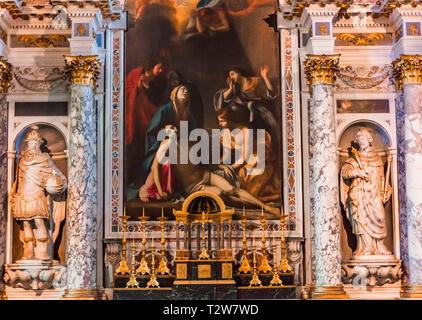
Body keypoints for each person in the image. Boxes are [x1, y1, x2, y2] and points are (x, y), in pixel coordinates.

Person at [141, 124, 281, 216]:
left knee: (231, 189)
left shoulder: (187, 142)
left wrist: (220, 166)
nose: (174, 129)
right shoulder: (165, 146)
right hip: (195, 186)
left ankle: (265, 207)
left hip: (206, 175)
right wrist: (160, 191)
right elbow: (155, 167)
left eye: (175, 127)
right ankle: (256, 208)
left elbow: (202, 161)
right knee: (221, 194)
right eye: (170, 127)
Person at [9, 126, 67, 261]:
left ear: (38, 145)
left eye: (34, 144)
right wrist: (13, 192)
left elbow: (59, 175)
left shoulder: (45, 159)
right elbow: (18, 179)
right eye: (29, 144)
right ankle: (28, 252)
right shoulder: (22, 160)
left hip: (37, 194)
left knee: (39, 221)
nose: (31, 147)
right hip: (23, 194)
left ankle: (44, 251)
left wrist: (58, 184)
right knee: (26, 223)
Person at [340, 128, 391, 257]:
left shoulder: (377, 158)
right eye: (359, 139)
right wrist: (357, 172)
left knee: (379, 216)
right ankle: (364, 247)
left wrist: (385, 189)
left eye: (363, 138)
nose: (360, 141)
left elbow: (382, 178)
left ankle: (379, 246)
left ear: (369, 140)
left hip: (374, 195)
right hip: (359, 195)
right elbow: (345, 173)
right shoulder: (355, 158)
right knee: (360, 218)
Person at [216, 107, 280, 202]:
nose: (219, 124)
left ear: (230, 120)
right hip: (244, 160)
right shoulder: (225, 133)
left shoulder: (245, 130)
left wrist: (230, 168)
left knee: (252, 193)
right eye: (219, 121)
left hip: (257, 156)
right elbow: (226, 156)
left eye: (222, 121)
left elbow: (245, 156)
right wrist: (216, 165)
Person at [213, 65, 280, 155]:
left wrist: (265, 77)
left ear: (239, 73)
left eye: (233, 74)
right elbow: (222, 99)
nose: (231, 77)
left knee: (251, 105)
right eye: (229, 76)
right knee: (233, 109)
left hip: (259, 111)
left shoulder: (255, 82)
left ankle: (254, 131)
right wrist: (231, 89)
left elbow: (271, 94)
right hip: (245, 114)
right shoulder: (235, 88)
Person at [142, 85, 201, 179]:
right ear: (174, 94)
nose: (185, 91)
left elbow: (193, 133)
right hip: (164, 146)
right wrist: (165, 129)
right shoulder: (164, 110)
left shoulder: (188, 114)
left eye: (187, 90)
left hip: (182, 147)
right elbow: (152, 131)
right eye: (182, 89)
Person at [125, 59, 166, 185]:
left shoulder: (157, 82)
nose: (160, 71)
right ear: (151, 67)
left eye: (162, 69)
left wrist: (145, 87)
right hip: (133, 115)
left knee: (143, 150)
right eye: (159, 67)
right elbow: (127, 89)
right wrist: (138, 87)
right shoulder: (137, 73)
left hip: (144, 115)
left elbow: (154, 99)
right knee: (134, 149)